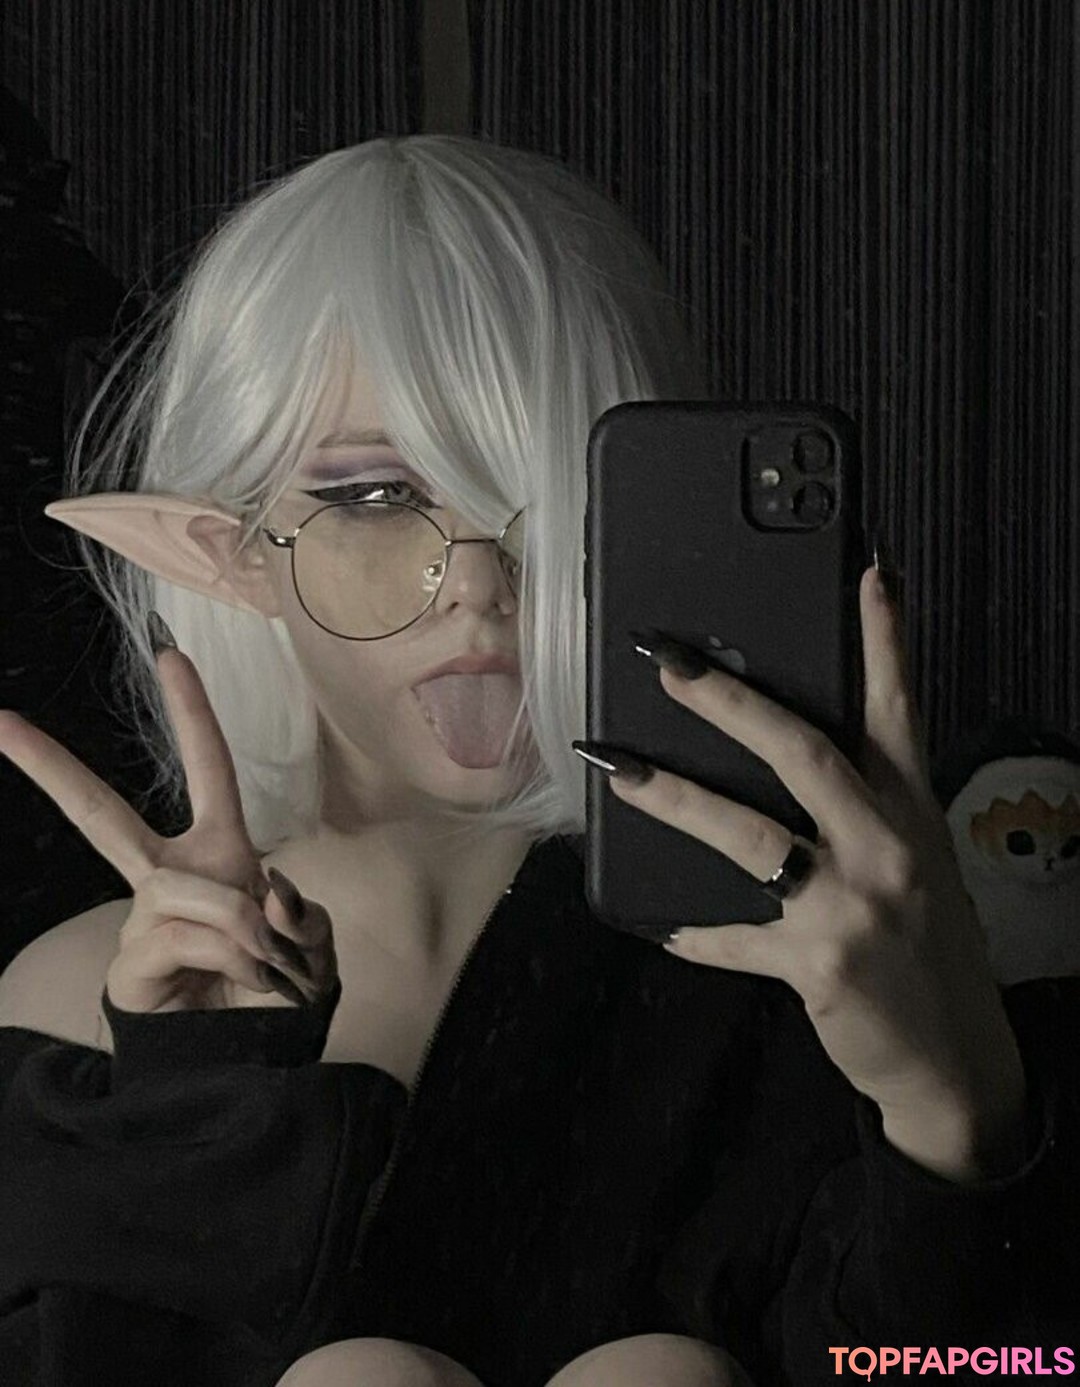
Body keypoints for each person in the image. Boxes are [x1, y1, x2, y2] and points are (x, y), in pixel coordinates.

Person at [0, 135, 1074, 1387]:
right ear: (227, 552)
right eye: (372, 499)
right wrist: (192, 1103)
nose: (482, 586)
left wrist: (956, 1111)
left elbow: (1014, 1366)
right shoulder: (72, 1013)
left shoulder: (821, 964)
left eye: (556, 490)